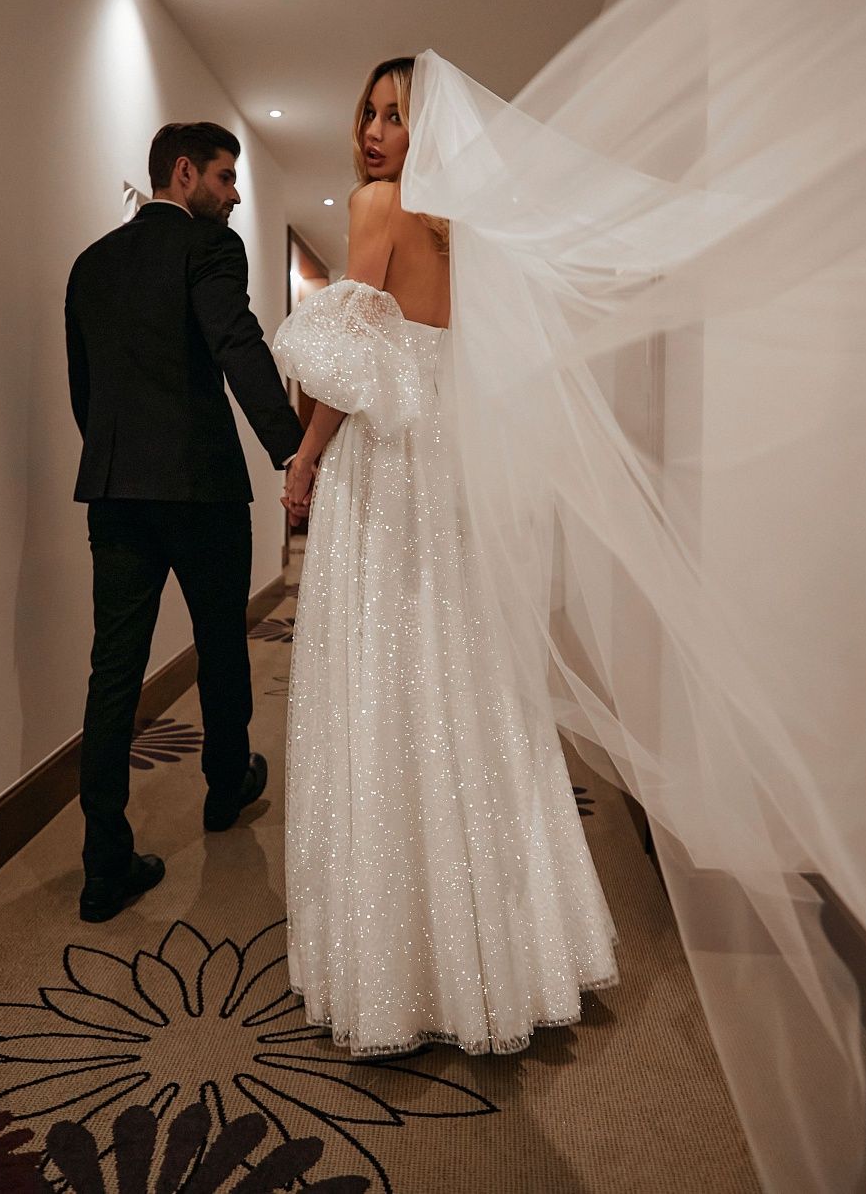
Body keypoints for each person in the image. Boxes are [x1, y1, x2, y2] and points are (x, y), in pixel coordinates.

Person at [275, 60, 617, 1056]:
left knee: (384, 673)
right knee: (462, 675)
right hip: (452, 464)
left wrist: (304, 457)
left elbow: (347, 365)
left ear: (429, 136)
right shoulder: (468, 235)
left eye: (397, 117)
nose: (376, 133)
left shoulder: (377, 207)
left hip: (388, 466)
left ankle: (402, 967)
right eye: (369, 114)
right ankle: (512, 948)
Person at [66, 121, 303, 923]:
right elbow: (236, 342)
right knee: (221, 641)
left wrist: (117, 461)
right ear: (183, 172)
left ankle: (104, 866)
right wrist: (293, 449)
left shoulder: (92, 263)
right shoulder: (210, 246)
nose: (234, 195)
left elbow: (85, 390)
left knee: (113, 671)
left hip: (115, 490)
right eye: (225, 177)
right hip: (202, 488)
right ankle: (225, 787)